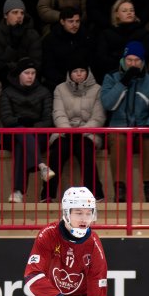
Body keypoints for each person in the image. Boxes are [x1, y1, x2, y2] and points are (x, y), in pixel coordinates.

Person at [99, 40, 149, 203]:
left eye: (137, 60)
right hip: (119, 128)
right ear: (123, 60)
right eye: (129, 60)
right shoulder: (111, 77)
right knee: (118, 140)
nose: (133, 64)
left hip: (142, 128)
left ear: (143, 62)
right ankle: (119, 188)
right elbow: (108, 104)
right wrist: (123, 82)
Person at [47, 59, 106, 202]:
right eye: (75, 71)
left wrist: (82, 131)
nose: (79, 74)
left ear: (88, 72)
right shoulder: (60, 89)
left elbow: (98, 116)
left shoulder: (97, 89)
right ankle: (47, 195)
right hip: (64, 131)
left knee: (86, 151)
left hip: (88, 132)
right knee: (57, 152)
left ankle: (96, 194)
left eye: (82, 71)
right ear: (69, 73)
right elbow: (58, 113)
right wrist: (68, 131)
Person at [0, 57, 54, 203]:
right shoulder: (7, 92)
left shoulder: (43, 92)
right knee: (20, 134)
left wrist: (32, 127)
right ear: (19, 74)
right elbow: (6, 118)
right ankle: (41, 165)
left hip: (38, 135)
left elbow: (48, 120)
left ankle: (17, 191)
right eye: (26, 73)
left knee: (21, 145)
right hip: (13, 133)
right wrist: (20, 122)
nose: (30, 76)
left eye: (33, 73)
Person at [93, 0, 149, 82]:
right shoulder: (106, 34)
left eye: (131, 10)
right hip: (112, 77)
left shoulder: (144, 34)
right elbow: (102, 59)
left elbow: (145, 57)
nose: (129, 13)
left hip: (138, 78)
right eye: (124, 11)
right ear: (116, 14)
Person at [0, 0, 42, 85]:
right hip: (2, 81)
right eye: (15, 12)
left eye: (22, 13)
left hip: (28, 81)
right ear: (5, 15)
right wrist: (14, 45)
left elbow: (35, 63)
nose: (19, 16)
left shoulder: (32, 34)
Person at [40, 7, 90, 91]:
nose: (75, 25)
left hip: (84, 82)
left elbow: (91, 62)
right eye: (71, 21)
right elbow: (48, 67)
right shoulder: (50, 40)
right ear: (62, 22)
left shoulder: (86, 36)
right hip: (59, 83)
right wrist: (66, 81)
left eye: (77, 21)